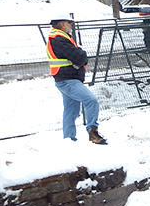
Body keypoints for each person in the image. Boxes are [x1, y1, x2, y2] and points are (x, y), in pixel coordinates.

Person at [46, 13, 107, 144]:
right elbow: (79, 57)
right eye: (70, 23)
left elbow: (78, 56)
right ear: (63, 24)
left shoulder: (59, 37)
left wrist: (80, 57)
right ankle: (93, 132)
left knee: (71, 111)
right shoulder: (59, 38)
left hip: (64, 79)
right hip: (68, 79)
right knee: (91, 100)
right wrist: (82, 56)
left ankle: (69, 140)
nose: (71, 25)